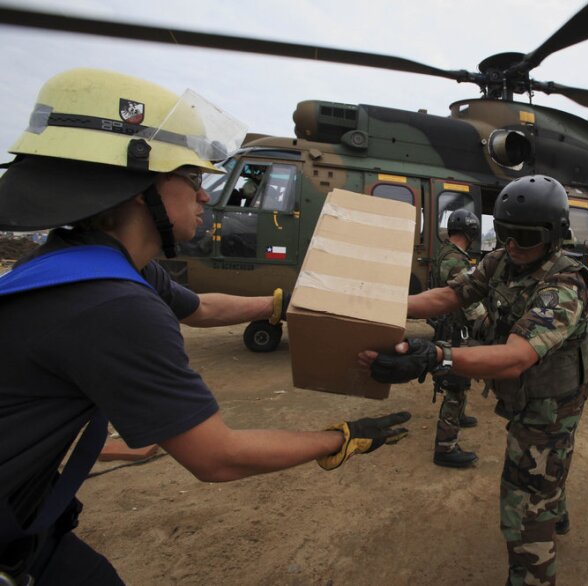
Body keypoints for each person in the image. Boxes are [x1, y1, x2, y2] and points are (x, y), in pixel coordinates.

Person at [0, 68, 410, 586]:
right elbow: (217, 458)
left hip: (25, 508)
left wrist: (284, 303)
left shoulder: (90, 262)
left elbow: (200, 310)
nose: (205, 195)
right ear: (138, 189)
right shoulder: (115, 304)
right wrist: (339, 438)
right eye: (193, 178)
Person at [360, 175, 588, 586]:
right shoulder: (505, 260)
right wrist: (381, 307)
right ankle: (553, 502)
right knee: (547, 476)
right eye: (505, 235)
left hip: (549, 409)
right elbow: (451, 295)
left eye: (523, 238)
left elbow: (514, 358)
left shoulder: (566, 284)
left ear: (553, 237)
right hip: (530, 399)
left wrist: (436, 357)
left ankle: (531, 572)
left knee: (524, 505)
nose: (512, 246)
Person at [430, 209, 486, 468]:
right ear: (472, 232)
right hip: (454, 329)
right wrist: (485, 322)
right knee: (455, 384)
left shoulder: (444, 252)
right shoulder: (456, 261)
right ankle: (445, 447)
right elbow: (465, 300)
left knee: (459, 379)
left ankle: (459, 415)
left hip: (447, 325)